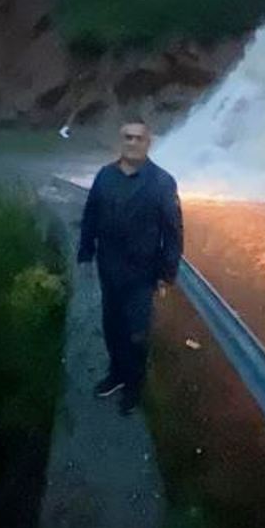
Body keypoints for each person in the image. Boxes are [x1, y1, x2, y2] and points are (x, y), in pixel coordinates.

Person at [77, 117, 183, 414]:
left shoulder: (162, 182)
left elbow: (174, 231)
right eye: (127, 137)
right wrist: (85, 253)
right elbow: (90, 215)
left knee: (136, 332)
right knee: (111, 326)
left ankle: (134, 386)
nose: (133, 143)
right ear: (120, 141)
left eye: (138, 138)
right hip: (108, 268)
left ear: (148, 143)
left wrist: (167, 273)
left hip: (142, 273)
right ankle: (116, 375)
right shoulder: (104, 176)